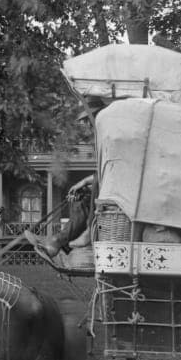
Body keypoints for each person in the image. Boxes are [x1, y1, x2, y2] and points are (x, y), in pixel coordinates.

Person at [23, 95, 107, 259]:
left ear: (97, 116)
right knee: (80, 198)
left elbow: (108, 174)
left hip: (118, 193)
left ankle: (72, 237)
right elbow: (104, 173)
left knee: (90, 190)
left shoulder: (107, 137)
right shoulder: (100, 138)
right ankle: (58, 242)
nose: (85, 124)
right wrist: (83, 183)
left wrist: (87, 182)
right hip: (109, 187)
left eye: (87, 120)